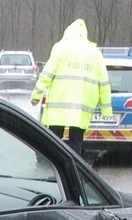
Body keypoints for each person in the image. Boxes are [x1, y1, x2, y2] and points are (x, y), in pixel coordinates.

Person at [30, 19, 111, 158]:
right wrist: (106, 111)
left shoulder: (61, 49)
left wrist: (36, 95)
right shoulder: (95, 53)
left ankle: (54, 168)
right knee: (76, 141)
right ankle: (73, 171)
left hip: (58, 108)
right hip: (81, 109)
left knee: (54, 140)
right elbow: (104, 83)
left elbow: (47, 74)